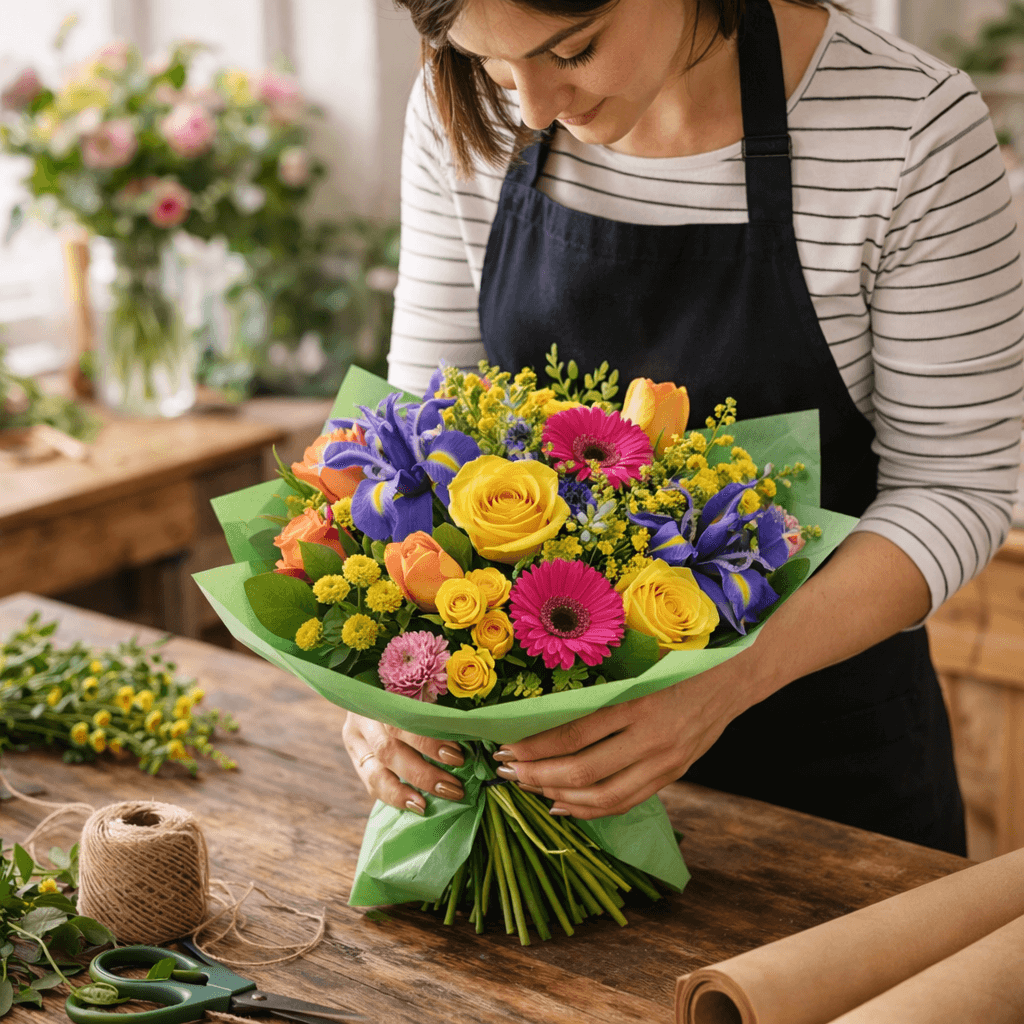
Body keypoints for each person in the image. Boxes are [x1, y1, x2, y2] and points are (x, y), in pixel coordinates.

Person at [342, 0, 1024, 855]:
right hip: (532, 800)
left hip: (824, 782)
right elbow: (421, 428)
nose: (533, 108)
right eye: (490, 62)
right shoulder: (469, 108)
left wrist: (725, 681)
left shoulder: (908, 126)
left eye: (574, 50)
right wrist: (383, 683)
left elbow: (956, 487)